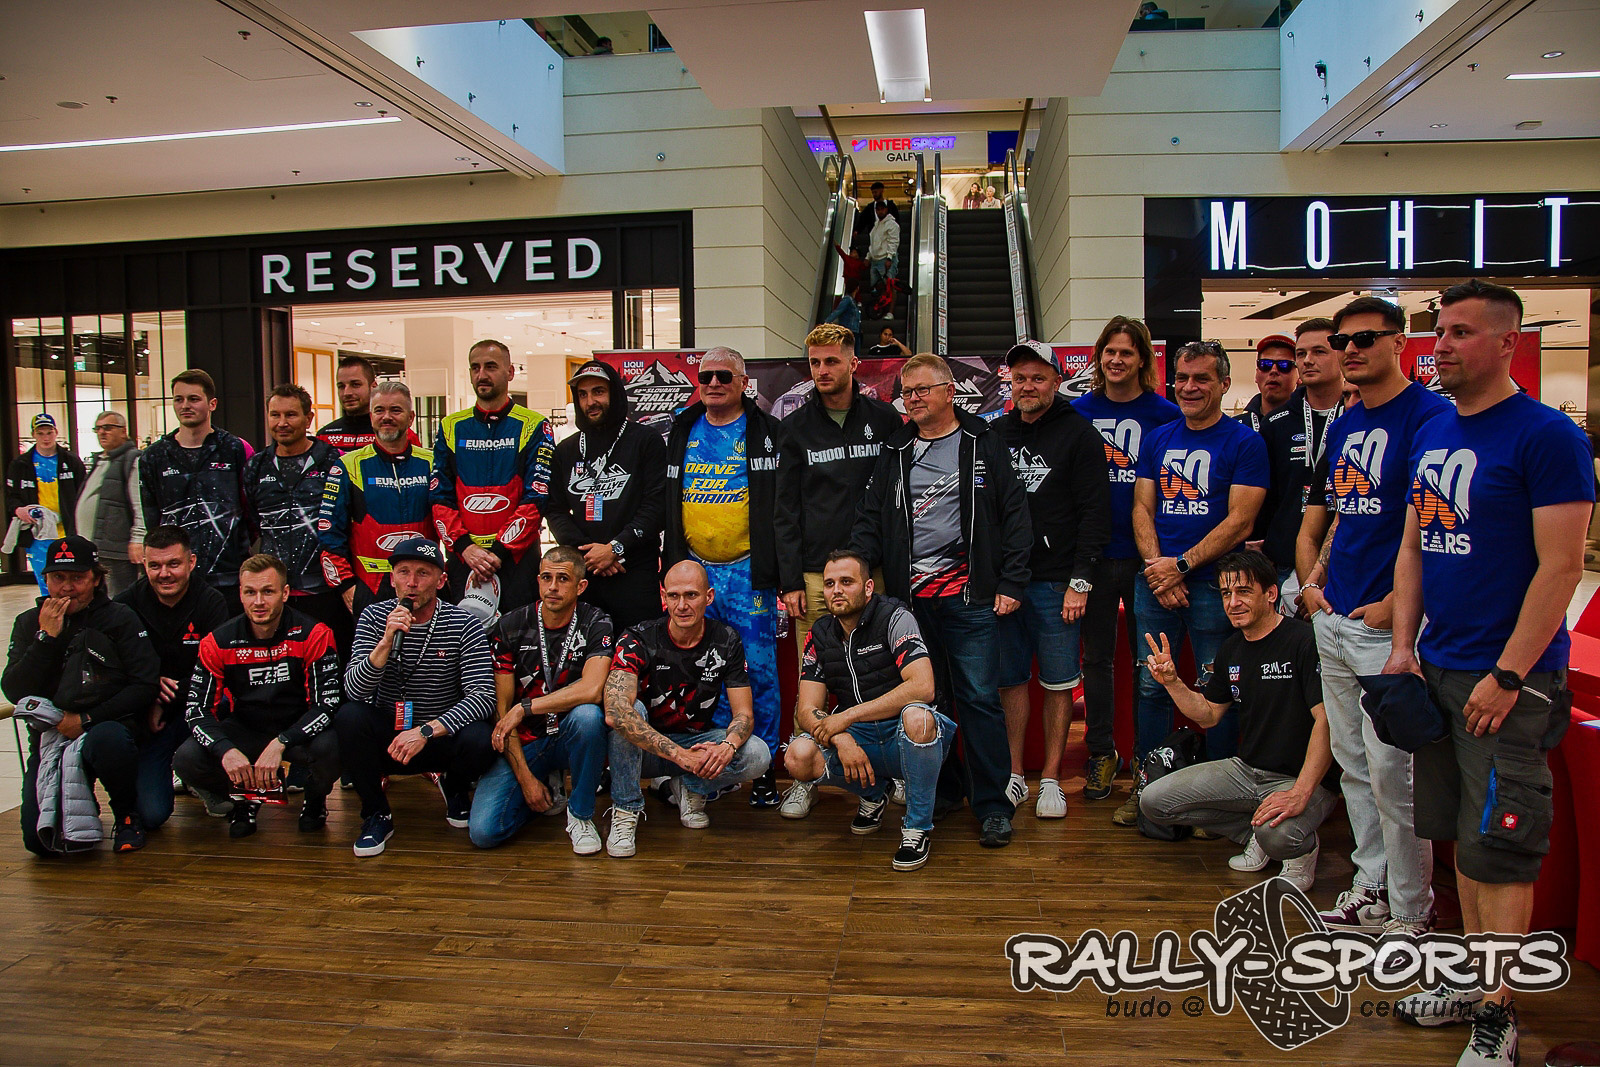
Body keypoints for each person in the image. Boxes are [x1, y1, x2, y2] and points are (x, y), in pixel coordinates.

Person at [1385, 280, 1592, 1063]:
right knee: (1464, 846)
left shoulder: (1547, 436)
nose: (1441, 345)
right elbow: (1414, 546)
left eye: (1462, 332)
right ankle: (1477, 984)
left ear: (1508, 342)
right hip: (1438, 667)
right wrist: (1404, 646)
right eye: (1440, 331)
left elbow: (1561, 566)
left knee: (1501, 849)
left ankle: (1499, 1014)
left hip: (1510, 680)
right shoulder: (1437, 431)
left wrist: (1508, 673)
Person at [1295, 295, 1451, 937]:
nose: (1351, 349)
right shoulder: (1347, 422)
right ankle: (1372, 885)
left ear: (1400, 342)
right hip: (1335, 614)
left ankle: (1413, 907)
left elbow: (1438, 527)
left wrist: (1399, 607)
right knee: (1355, 764)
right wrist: (1314, 580)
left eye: (1365, 338)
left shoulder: (1431, 417)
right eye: (1343, 340)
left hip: (1385, 623)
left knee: (1394, 774)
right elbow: (1338, 516)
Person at [851, 353, 1032, 847]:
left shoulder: (982, 441)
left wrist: (1012, 582)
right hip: (911, 605)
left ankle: (993, 806)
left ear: (950, 392)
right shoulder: (895, 449)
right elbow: (871, 517)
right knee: (929, 700)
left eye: (923, 390)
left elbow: (1015, 514)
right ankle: (946, 792)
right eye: (907, 392)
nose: (913, 399)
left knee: (979, 700)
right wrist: (856, 570)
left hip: (970, 599)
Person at [1125, 340, 1268, 824]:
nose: (1189, 387)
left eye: (1202, 378)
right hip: (1156, 582)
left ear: (1224, 384)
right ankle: (1149, 789)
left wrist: (1181, 566)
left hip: (1216, 588)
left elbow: (1241, 520)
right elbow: (1142, 507)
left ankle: (1216, 803)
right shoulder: (1157, 439)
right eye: (1182, 378)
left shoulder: (1245, 443)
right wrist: (1158, 569)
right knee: (1151, 687)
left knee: (1217, 692)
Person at [1138, 550, 1336, 892]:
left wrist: (1299, 793)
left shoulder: (1304, 641)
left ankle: (1300, 849)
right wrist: (1172, 681)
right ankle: (1256, 832)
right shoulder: (1232, 649)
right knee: (1153, 802)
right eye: (1226, 593)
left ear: (1271, 593)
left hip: (1301, 778)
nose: (1232, 603)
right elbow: (1208, 715)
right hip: (1247, 771)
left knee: (1280, 836)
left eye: (1243, 591)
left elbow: (1327, 722)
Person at [663, 346, 787, 806]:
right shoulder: (682, 427)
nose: (714, 383)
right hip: (696, 571)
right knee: (703, 672)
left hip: (748, 571)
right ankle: (714, 768)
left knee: (759, 672)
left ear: (743, 383)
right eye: (706, 376)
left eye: (724, 376)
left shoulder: (766, 430)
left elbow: (784, 504)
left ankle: (764, 767)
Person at [992, 341, 1111, 819]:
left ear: (1057, 382)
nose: (1028, 386)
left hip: (1058, 583)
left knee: (1060, 682)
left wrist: (1081, 580)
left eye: (1038, 378)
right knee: (1010, 681)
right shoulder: (994, 433)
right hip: (1007, 582)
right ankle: (1014, 774)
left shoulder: (1080, 434)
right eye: (1020, 378)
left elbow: (1095, 514)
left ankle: (1051, 780)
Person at [780, 551, 953, 870]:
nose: (836, 590)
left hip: (907, 735)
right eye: (830, 584)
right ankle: (874, 793)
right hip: (860, 739)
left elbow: (923, 686)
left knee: (917, 717)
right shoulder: (820, 633)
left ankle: (917, 828)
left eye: (847, 582)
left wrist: (847, 717)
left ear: (868, 587)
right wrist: (841, 739)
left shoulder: (895, 617)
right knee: (798, 755)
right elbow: (806, 709)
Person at [1072, 316, 1181, 801]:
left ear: (1142, 360)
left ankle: (1147, 758)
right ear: (1099, 357)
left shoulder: (1165, 414)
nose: (1117, 360)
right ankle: (1101, 753)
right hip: (1093, 557)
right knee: (1095, 660)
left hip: (1147, 559)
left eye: (1126, 352)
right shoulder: (1077, 412)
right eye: (1110, 351)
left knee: (1149, 663)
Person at [335, 537, 497, 857]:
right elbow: (354, 690)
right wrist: (384, 643)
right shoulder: (373, 617)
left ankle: (454, 786)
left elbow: (482, 696)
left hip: (438, 734)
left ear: (441, 580)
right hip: (390, 737)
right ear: (391, 578)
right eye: (404, 572)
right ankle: (376, 813)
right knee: (349, 717)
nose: (412, 583)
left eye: (423, 573)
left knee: (481, 736)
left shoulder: (464, 623)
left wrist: (425, 730)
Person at [602, 561, 772, 856]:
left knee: (758, 754)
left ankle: (691, 787)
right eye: (674, 596)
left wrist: (727, 747)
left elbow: (744, 714)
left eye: (691, 595)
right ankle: (626, 809)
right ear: (663, 597)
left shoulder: (726, 639)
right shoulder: (638, 637)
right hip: (644, 752)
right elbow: (615, 712)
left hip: (696, 743)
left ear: (709, 597)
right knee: (630, 713)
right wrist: (679, 756)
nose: (681, 605)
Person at [3, 536, 161, 853]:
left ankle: (126, 814)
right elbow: (14, 689)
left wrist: (86, 719)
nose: (67, 588)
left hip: (109, 726)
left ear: (96, 578)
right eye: (58, 577)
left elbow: (144, 685)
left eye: (77, 578)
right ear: (46, 579)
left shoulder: (120, 617)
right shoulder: (28, 622)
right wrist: (46, 638)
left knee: (109, 741)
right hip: (52, 735)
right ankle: (77, 799)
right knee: (39, 843)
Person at [173, 554, 342, 839]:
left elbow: (327, 704)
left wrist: (281, 742)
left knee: (334, 746)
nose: (259, 602)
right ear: (240, 594)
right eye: (250, 592)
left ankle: (315, 800)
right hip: (247, 726)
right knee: (187, 759)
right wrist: (226, 750)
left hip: (297, 728)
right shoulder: (217, 641)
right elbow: (197, 710)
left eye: (268, 592)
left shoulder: (314, 634)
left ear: (285, 593)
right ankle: (244, 799)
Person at [470, 546, 613, 854]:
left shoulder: (596, 621)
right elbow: (502, 711)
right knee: (484, 832)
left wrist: (526, 708)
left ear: (581, 586)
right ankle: (546, 787)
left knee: (589, 716)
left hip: (571, 734)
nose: (553, 587)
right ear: (537, 581)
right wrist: (526, 780)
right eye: (546, 578)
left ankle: (580, 814)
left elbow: (592, 689)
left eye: (563, 579)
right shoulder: (510, 625)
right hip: (527, 741)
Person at [776, 323, 903, 653]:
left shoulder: (885, 419)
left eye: (831, 361)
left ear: (853, 363)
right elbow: (785, 509)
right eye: (815, 362)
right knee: (813, 674)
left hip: (874, 571)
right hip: (816, 576)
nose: (822, 370)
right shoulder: (793, 428)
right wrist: (791, 581)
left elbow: (898, 498)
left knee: (879, 667)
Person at [115, 525, 233, 820]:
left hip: (200, 709)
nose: (164, 574)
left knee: (226, 706)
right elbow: (114, 669)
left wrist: (170, 695)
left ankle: (202, 778)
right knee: (151, 815)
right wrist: (149, 688)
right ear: (144, 564)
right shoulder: (125, 605)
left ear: (191, 562)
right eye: (155, 565)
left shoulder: (211, 602)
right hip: (149, 717)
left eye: (173, 564)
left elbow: (220, 671)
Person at [431, 338, 555, 613]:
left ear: (510, 372)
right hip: (465, 559)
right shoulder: (450, 426)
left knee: (519, 633)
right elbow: (439, 497)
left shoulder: (534, 425)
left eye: (490, 366)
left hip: (517, 559)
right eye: (475, 368)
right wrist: (465, 547)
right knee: (464, 633)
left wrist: (499, 551)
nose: (482, 375)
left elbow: (537, 497)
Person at [546, 360, 668, 632]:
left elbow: (657, 506)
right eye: (582, 394)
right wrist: (587, 553)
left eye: (598, 391)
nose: (590, 401)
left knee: (638, 651)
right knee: (587, 652)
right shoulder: (566, 450)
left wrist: (615, 548)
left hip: (634, 572)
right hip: (585, 574)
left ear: (615, 393)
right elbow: (554, 509)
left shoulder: (646, 441)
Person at [318, 381, 435, 617]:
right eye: (379, 410)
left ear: (411, 418)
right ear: (371, 417)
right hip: (369, 586)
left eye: (396, 410)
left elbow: (447, 520)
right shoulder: (347, 466)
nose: (386, 417)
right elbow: (329, 532)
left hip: (424, 583)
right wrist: (345, 585)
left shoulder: (432, 462)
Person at [244, 384, 347, 651]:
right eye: (275, 415)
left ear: (308, 418)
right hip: (274, 591)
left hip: (325, 589)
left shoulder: (334, 461)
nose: (282, 423)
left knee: (328, 658)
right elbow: (253, 520)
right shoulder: (256, 466)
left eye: (290, 415)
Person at [139, 369, 252, 606]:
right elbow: (152, 517)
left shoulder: (235, 449)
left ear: (212, 404)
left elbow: (252, 511)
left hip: (229, 575)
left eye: (193, 399)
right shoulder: (154, 457)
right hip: (177, 579)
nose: (185, 406)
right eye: (178, 399)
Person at [1252, 319, 1344, 600]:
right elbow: (1266, 499)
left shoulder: (1357, 417)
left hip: (1344, 562)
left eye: (1319, 352)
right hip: (1283, 562)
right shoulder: (1275, 424)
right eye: (1301, 354)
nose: (1308, 360)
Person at [7, 413, 86, 595]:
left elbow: (84, 493)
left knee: (71, 578)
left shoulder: (71, 461)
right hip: (38, 534)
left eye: (49, 432)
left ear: (56, 433)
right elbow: (11, 497)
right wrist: (19, 510)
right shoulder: (20, 464)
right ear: (33, 435)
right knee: (46, 581)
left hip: (69, 531)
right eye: (40, 433)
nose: (45, 438)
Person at [75, 411, 144, 596]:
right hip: (92, 548)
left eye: (107, 428)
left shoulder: (132, 459)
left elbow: (139, 504)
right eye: (97, 428)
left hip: (116, 549)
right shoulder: (99, 460)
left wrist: (138, 538)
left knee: (119, 599)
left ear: (123, 431)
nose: (101, 432)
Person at [318, 355, 420, 453]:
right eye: (341, 386)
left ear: (373, 387)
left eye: (355, 385)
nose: (347, 393)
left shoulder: (401, 434)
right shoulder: (325, 436)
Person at [1238, 335, 1298, 431]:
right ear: (1256, 374)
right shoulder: (1237, 428)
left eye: (1284, 365)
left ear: (1299, 376)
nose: (1273, 370)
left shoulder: (1311, 424)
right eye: (1265, 364)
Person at [866, 201, 901, 300]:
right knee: (877, 287)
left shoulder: (892, 225)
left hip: (885, 259)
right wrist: (868, 257)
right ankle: (879, 306)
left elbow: (893, 242)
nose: (880, 211)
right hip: (875, 260)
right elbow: (873, 243)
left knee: (889, 286)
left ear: (886, 209)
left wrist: (889, 258)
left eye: (882, 209)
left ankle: (890, 308)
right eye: (878, 209)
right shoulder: (876, 225)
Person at [823, 281, 864, 358]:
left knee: (855, 353)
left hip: (855, 331)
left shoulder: (852, 301)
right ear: (857, 288)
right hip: (849, 330)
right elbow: (838, 311)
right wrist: (826, 322)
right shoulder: (847, 299)